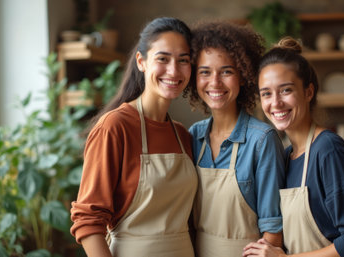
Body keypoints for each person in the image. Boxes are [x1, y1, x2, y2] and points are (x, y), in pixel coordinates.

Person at [70, 17, 198, 257]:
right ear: (142, 62)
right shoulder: (114, 127)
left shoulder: (182, 135)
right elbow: (88, 221)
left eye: (183, 60)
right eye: (163, 58)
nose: (173, 70)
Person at [243, 37, 344, 257]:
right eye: (266, 93)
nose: (275, 103)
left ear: (308, 92)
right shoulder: (287, 156)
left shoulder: (328, 150)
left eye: (286, 90)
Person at [184, 20, 285, 257]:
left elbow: (273, 231)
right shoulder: (193, 136)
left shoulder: (262, 140)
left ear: (244, 75)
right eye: (205, 72)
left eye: (226, 71)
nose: (215, 82)